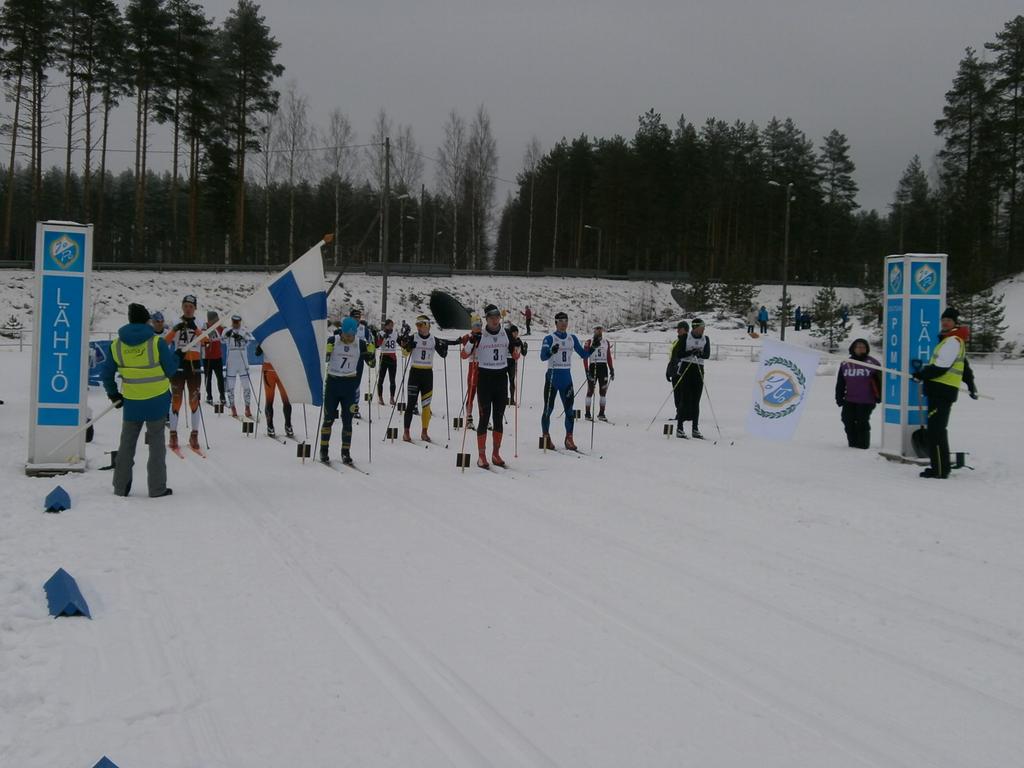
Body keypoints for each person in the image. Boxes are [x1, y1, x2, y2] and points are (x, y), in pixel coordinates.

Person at [101, 303, 177, 497]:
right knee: (157, 447)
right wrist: (178, 357)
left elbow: (107, 374)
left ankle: (120, 486)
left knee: (126, 446)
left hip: (132, 402)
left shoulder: (116, 345)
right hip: (157, 402)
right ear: (147, 321)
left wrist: (113, 394)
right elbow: (170, 370)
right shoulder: (156, 343)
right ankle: (157, 488)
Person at [911, 307, 978, 479]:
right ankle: (942, 466)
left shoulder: (953, 341)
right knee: (939, 430)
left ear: (956, 323)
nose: (945, 322)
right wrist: (971, 385)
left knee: (936, 431)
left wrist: (921, 375)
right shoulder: (952, 341)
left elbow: (941, 367)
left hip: (941, 391)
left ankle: (939, 470)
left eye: (949, 320)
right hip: (941, 391)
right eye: (943, 320)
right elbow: (965, 367)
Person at [467, 304, 517, 468]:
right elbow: (463, 355)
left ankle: (496, 453)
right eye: (491, 318)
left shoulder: (506, 333)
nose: (495, 320)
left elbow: (515, 354)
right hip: (485, 379)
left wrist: (519, 350)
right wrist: (471, 342)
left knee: (498, 417)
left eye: (497, 317)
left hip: (501, 378)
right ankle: (481, 455)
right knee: (484, 417)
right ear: (486, 319)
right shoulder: (480, 334)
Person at [321, 317, 376, 464]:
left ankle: (345, 452)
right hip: (333, 383)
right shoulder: (333, 340)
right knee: (328, 419)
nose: (349, 338)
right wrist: (326, 352)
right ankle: (323, 450)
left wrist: (372, 353)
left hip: (349, 385)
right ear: (342, 332)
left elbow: (372, 364)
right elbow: (323, 360)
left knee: (348, 421)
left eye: (351, 336)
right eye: (346, 335)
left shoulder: (360, 343)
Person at [539, 311, 595, 450]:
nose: (564, 323)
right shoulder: (549, 338)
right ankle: (546, 436)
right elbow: (542, 357)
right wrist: (551, 351)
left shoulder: (572, 338)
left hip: (566, 379)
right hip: (552, 378)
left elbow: (583, 354)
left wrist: (593, 347)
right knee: (548, 409)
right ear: (556, 323)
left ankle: (569, 438)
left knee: (569, 411)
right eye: (561, 321)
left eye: (566, 320)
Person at [398, 315, 448, 442]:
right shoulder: (413, 337)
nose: (419, 328)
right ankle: (406, 432)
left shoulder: (433, 339)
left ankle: (424, 432)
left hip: (427, 374)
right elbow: (404, 354)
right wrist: (408, 346)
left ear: (427, 325)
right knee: (410, 405)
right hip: (415, 373)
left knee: (426, 405)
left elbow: (443, 354)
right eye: (417, 325)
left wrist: (445, 348)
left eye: (421, 325)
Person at [165, 294, 205, 452]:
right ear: (182, 306)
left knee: (194, 400)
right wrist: (175, 329)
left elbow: (207, 342)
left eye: (191, 306)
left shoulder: (201, 322)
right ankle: (173, 434)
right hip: (179, 364)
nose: (188, 309)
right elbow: (166, 342)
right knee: (176, 400)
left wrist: (194, 328)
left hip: (194, 364)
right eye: (186, 306)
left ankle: (194, 434)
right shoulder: (175, 321)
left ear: (195, 308)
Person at [835, 338, 881, 449]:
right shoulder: (846, 363)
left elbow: (881, 381)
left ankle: (863, 445)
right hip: (850, 399)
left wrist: (880, 396)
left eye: (863, 347)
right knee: (847, 419)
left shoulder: (873, 363)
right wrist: (839, 397)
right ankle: (853, 443)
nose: (861, 349)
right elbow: (841, 382)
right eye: (858, 347)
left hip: (867, 399)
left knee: (862, 421)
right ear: (853, 349)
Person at [673, 318, 711, 438]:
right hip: (686, 370)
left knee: (696, 401)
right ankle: (680, 428)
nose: (703, 330)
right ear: (695, 328)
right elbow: (679, 354)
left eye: (704, 328)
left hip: (698, 370)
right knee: (684, 399)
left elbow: (707, 355)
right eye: (701, 328)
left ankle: (695, 428)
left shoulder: (706, 339)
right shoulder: (685, 337)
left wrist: (699, 353)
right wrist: (691, 352)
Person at [222, 314, 254, 419]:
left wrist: (241, 337)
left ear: (240, 322)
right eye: (234, 322)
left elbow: (249, 340)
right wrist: (228, 334)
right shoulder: (227, 330)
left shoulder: (244, 330)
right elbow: (222, 339)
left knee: (246, 385)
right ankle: (233, 407)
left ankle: (247, 407)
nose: (236, 324)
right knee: (230, 385)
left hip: (242, 359)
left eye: (237, 322)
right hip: (231, 359)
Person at [583, 323, 614, 421]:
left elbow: (608, 356)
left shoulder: (606, 342)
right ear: (594, 330)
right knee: (590, 391)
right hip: (593, 365)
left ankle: (601, 413)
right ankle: (587, 413)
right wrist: (587, 370)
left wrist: (611, 369)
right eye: (597, 329)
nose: (599, 331)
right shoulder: (589, 341)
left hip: (603, 367)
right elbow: (585, 357)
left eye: (600, 329)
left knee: (603, 392)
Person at [258, 351, 293, 438]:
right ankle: (270, 426)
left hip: (282, 369)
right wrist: (260, 348)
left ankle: (288, 425)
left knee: (286, 400)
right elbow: (257, 353)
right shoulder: (264, 337)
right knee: (269, 400)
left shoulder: (286, 337)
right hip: (269, 370)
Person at [459, 314, 483, 429]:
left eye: (479, 325)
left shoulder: (485, 335)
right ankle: (469, 417)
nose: (477, 327)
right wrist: (471, 341)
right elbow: (464, 354)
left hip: (484, 366)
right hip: (472, 365)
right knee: (472, 391)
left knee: (483, 394)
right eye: (475, 325)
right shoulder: (468, 336)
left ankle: (484, 418)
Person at [203, 310, 226, 406]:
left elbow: (224, 338)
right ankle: (209, 396)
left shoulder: (220, 328)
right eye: (215, 319)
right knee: (208, 378)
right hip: (207, 358)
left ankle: (222, 396)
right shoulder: (205, 327)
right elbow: (204, 340)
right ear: (210, 320)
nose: (217, 321)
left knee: (220, 378)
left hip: (217, 357)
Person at [376, 318, 400, 405]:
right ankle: (380, 397)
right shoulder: (381, 333)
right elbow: (377, 345)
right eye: (389, 325)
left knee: (392, 379)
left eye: (392, 325)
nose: (391, 327)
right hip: (384, 357)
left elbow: (401, 343)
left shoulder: (395, 334)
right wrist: (383, 338)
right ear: (385, 326)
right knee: (381, 378)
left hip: (392, 358)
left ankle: (392, 398)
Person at [506, 324, 525, 405]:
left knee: (512, 380)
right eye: (514, 332)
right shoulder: (507, 339)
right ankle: (505, 398)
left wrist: (525, 347)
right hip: (504, 361)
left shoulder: (518, 340)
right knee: (503, 381)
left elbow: (524, 353)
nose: (516, 334)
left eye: (517, 332)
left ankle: (512, 399)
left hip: (513, 362)